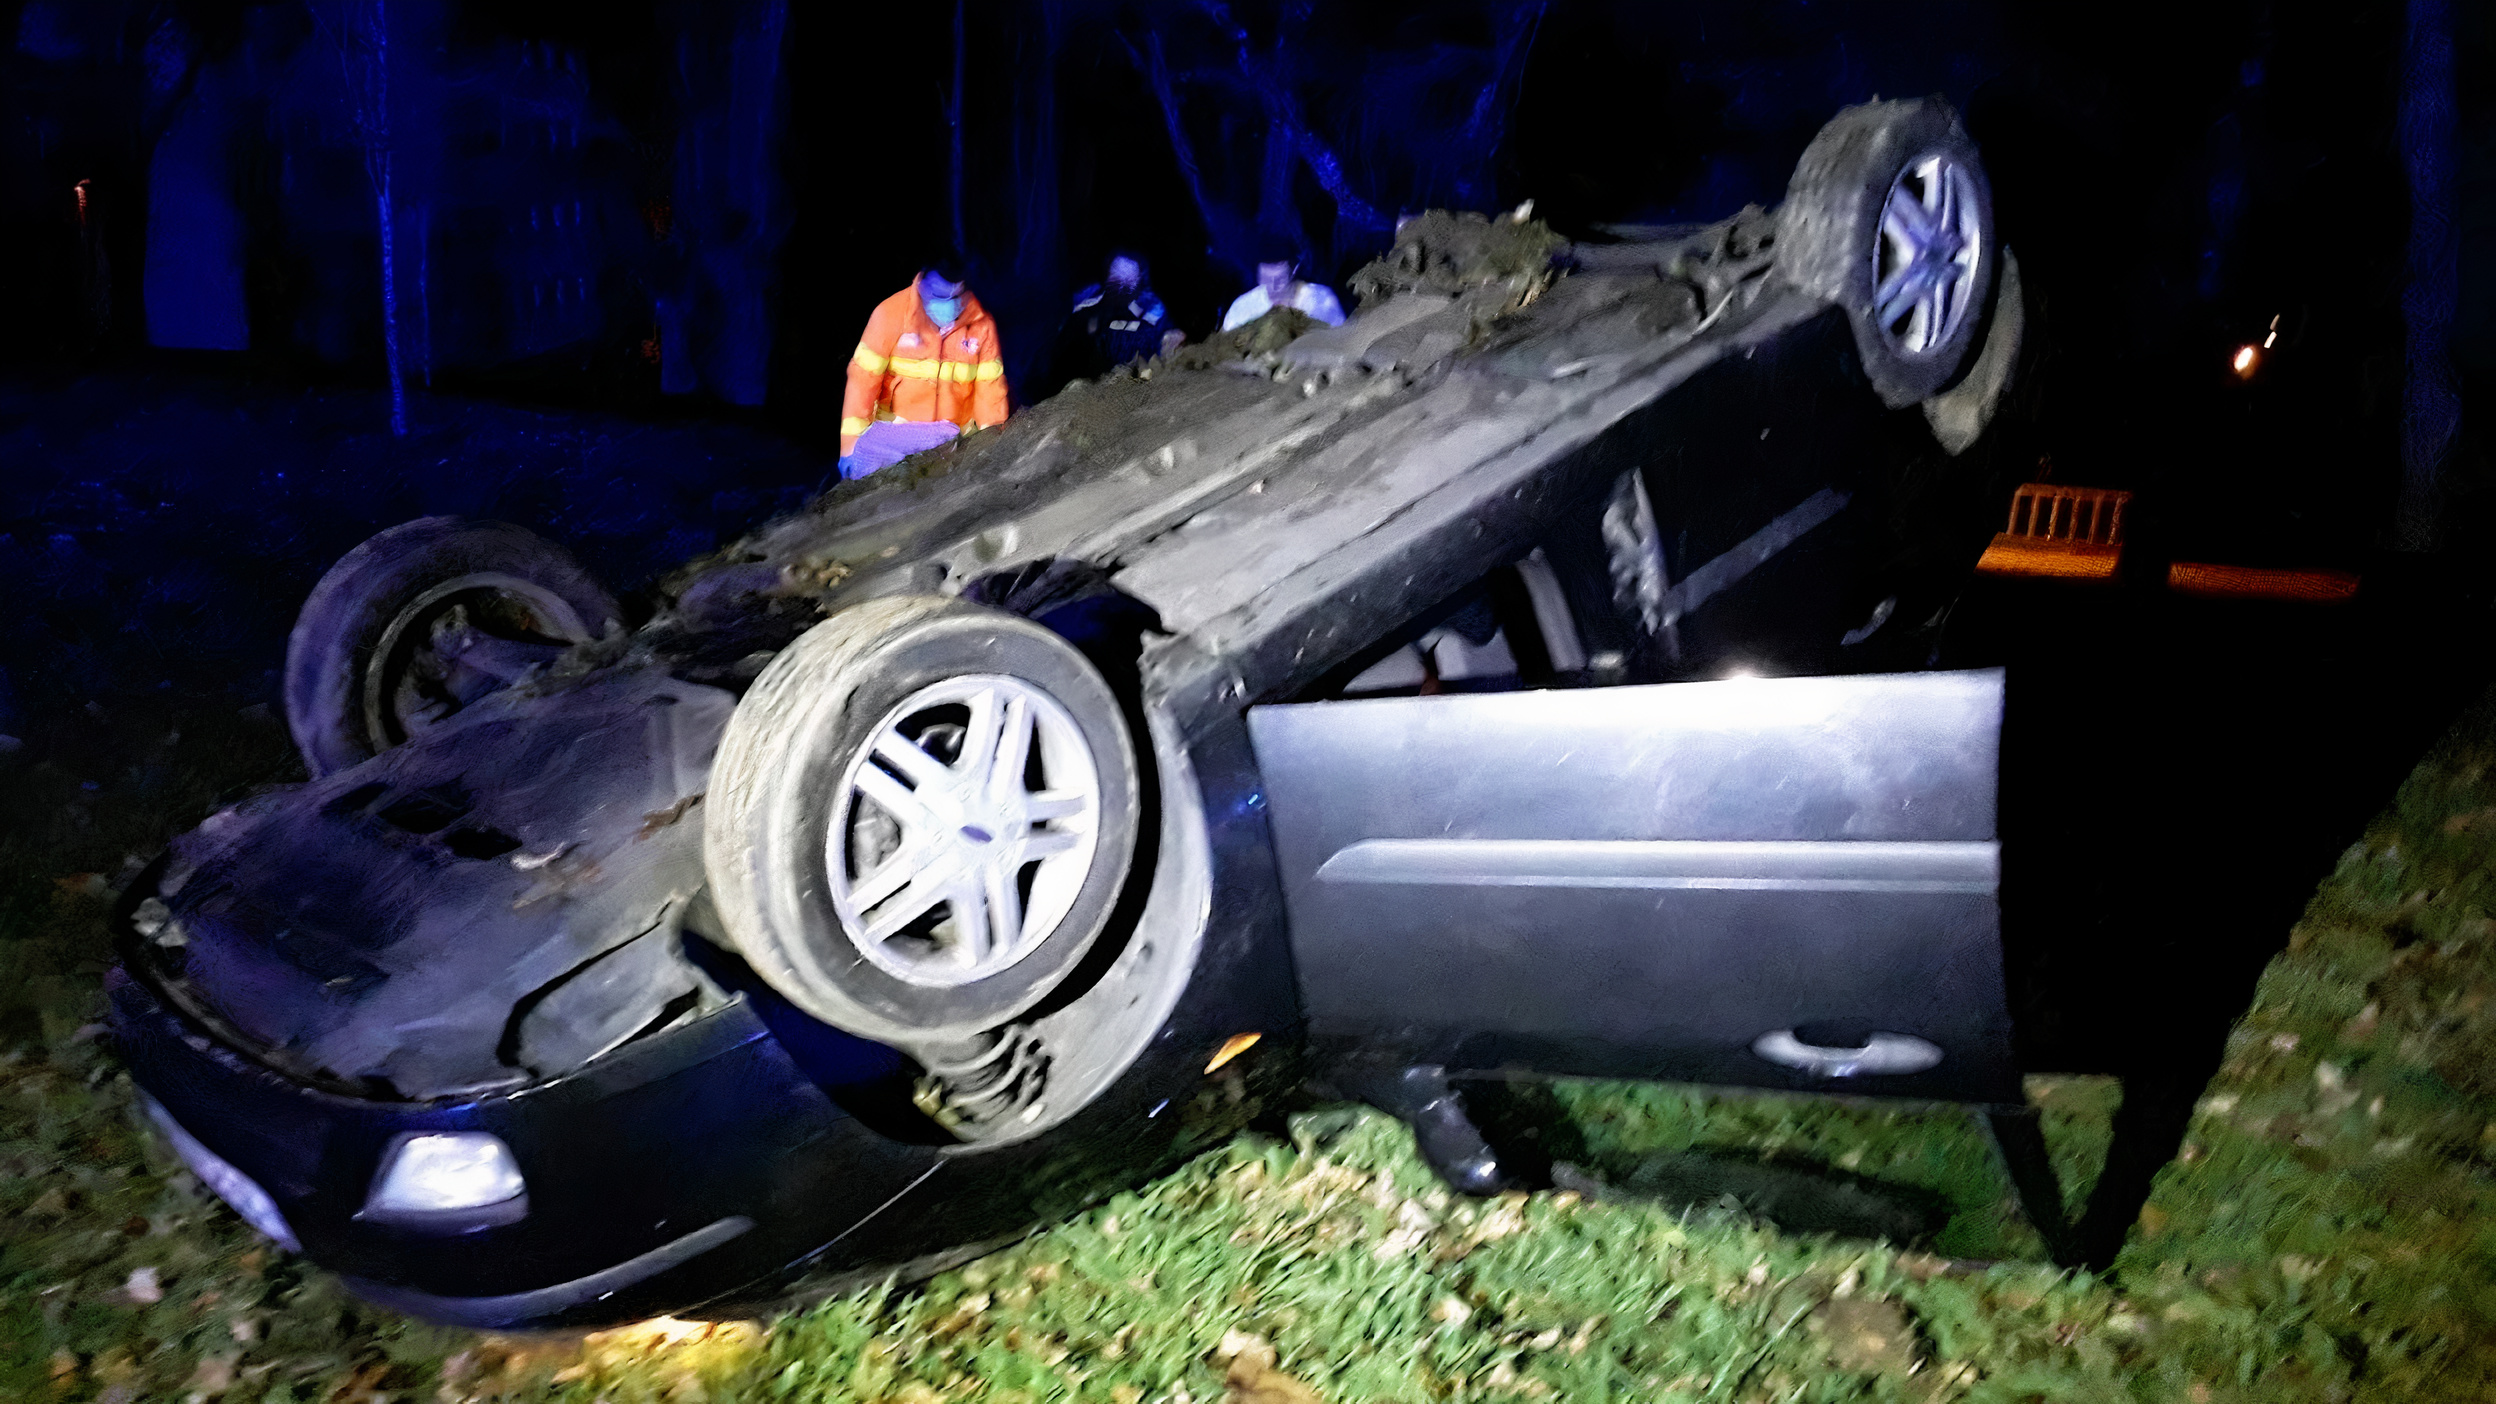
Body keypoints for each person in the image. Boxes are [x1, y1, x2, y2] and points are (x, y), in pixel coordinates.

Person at [840, 253, 1008, 479]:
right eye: (939, 295)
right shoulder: (890, 314)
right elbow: (862, 381)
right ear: (921, 284)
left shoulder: (982, 325)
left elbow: (991, 393)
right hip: (896, 436)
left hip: (954, 440)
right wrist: (849, 448)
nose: (948, 305)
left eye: (956, 297)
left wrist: (993, 445)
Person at [1065, 251, 1184, 375]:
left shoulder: (1147, 314)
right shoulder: (1086, 316)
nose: (1123, 286)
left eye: (1129, 283)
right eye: (1118, 282)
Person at [1220, 239, 1346, 332]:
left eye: (1279, 279)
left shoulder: (1322, 299)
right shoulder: (1242, 307)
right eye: (1266, 279)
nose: (1273, 286)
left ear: (1294, 270)